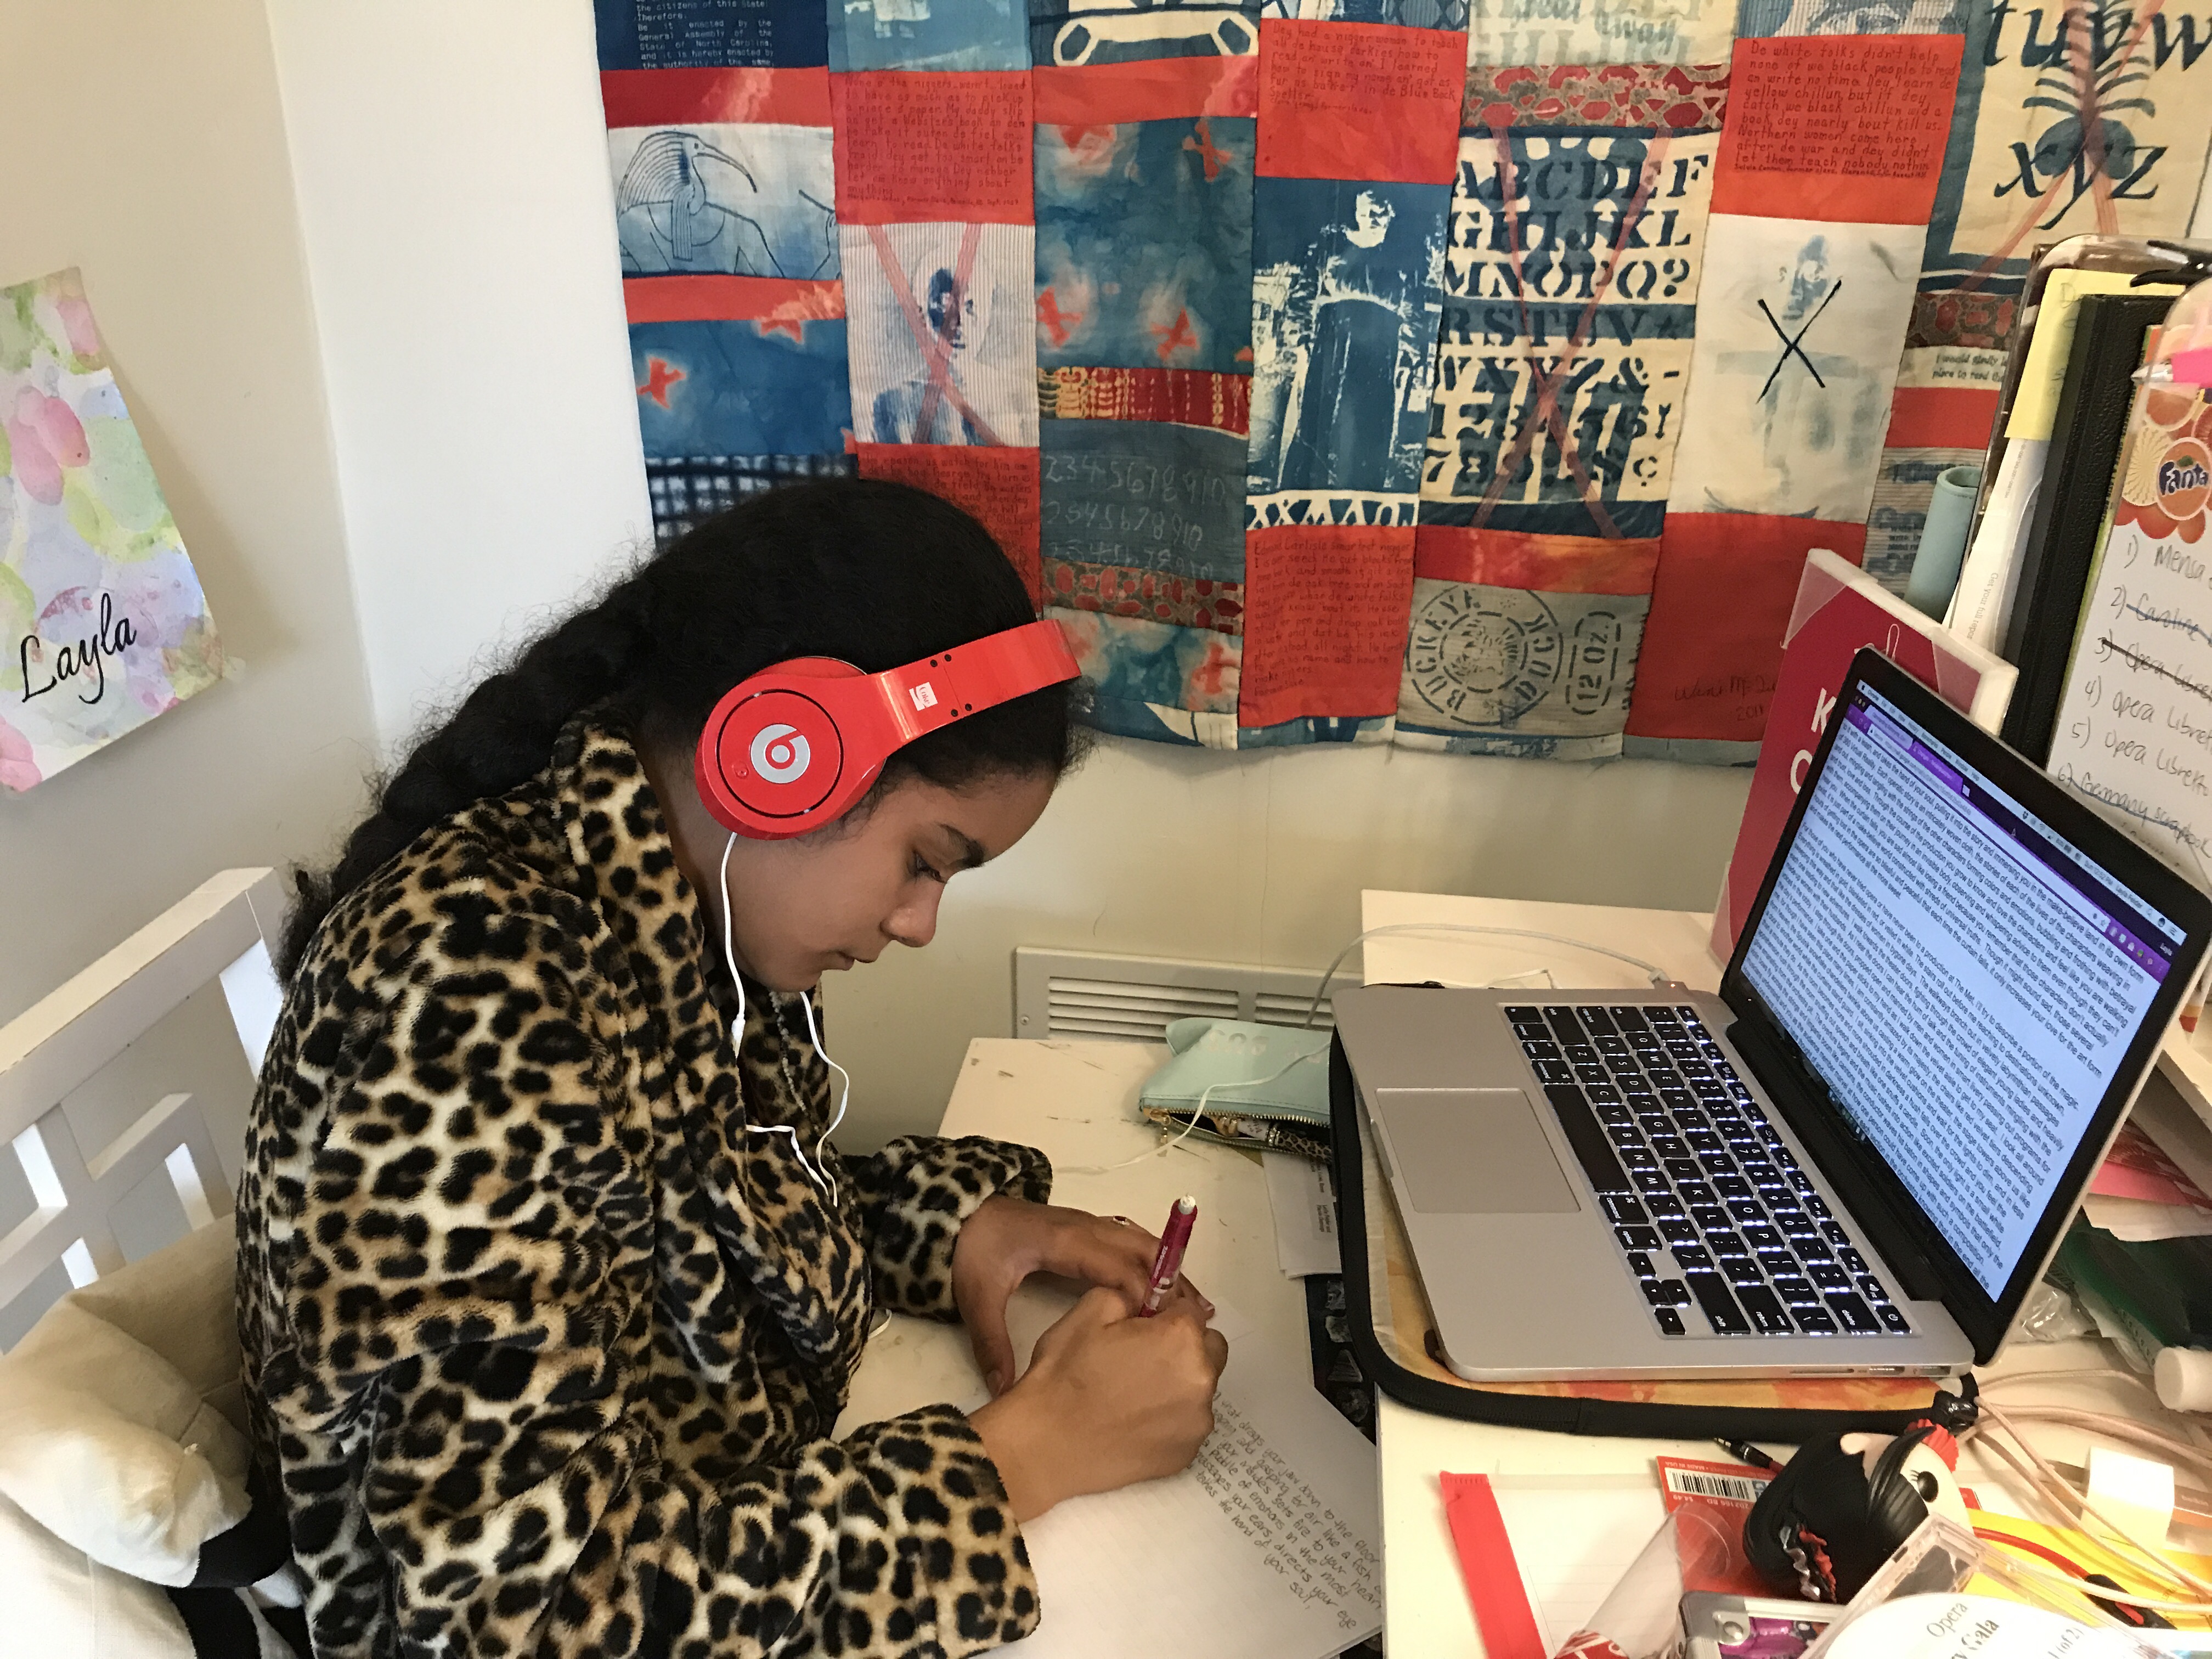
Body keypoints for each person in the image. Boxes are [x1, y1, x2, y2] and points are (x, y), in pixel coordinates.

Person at [238, 479, 1229, 1658]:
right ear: (780, 757)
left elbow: (703, 1221)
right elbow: (526, 1620)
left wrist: (958, 1228)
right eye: (926, 860)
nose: (919, 924)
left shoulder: (694, 916)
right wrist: (1024, 1457)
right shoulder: (465, 992)